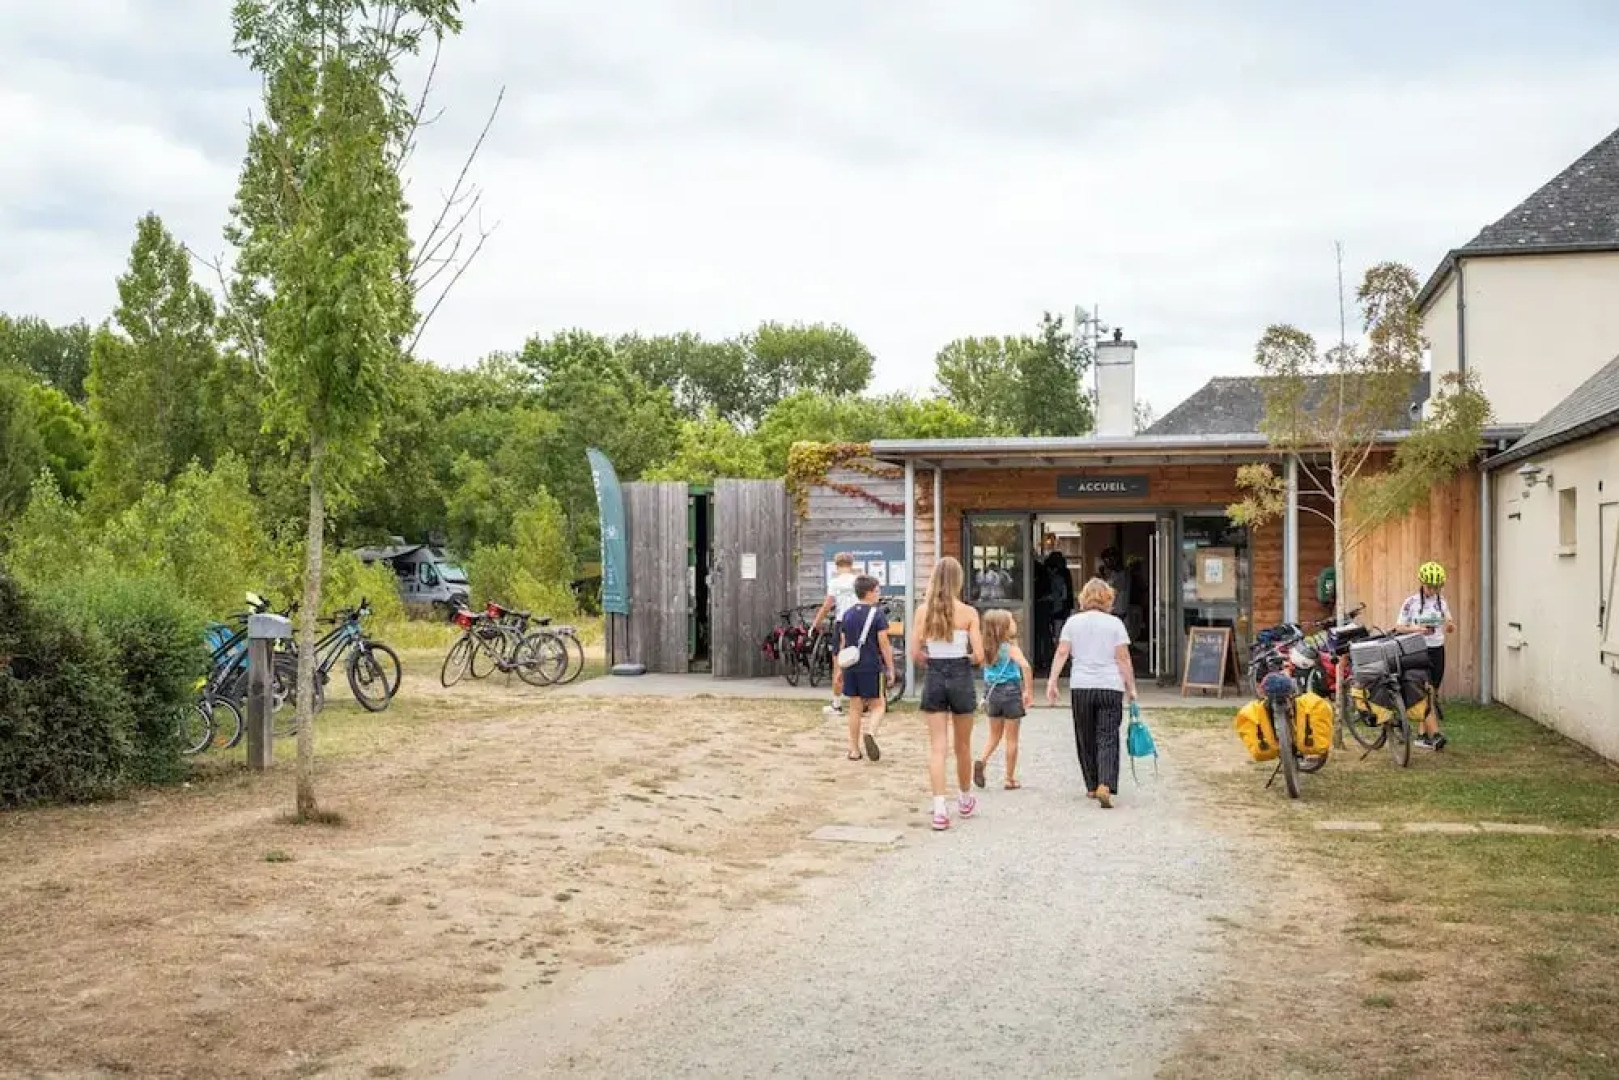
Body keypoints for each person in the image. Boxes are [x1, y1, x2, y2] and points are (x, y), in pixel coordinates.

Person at [1045, 577, 1138, 809]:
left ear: (1083, 598)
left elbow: (1062, 653)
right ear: (1108, 599)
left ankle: (1091, 784)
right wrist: (1131, 687)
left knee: (1085, 735)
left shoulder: (1072, 623)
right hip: (1110, 685)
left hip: (1082, 686)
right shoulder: (1115, 624)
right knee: (1107, 736)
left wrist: (1052, 681)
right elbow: (1123, 658)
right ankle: (1106, 783)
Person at [911, 556, 985, 831]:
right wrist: (962, 653)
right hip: (961, 675)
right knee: (962, 745)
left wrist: (931, 658)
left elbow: (915, 653)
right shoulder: (968, 613)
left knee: (937, 747)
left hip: (935, 674)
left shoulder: (923, 612)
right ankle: (965, 797)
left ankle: (940, 808)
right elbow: (978, 655)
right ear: (958, 580)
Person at [1395, 561, 1454, 750]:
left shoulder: (1441, 602)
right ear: (1422, 583)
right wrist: (1418, 629)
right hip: (1418, 650)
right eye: (1430, 586)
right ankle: (1435, 735)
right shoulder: (1410, 602)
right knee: (1425, 691)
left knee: (1432, 692)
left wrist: (1450, 625)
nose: (1433, 590)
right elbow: (1399, 627)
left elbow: (1449, 620)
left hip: (1438, 649)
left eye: (1436, 587)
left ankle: (1422, 736)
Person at [973, 609, 1033, 790]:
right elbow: (1026, 667)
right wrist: (1028, 690)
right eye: (1011, 621)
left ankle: (982, 760)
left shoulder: (987, 649)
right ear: (1004, 628)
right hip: (1011, 693)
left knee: (994, 735)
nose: (1015, 623)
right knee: (1011, 739)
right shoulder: (1011, 649)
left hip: (993, 694)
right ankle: (1009, 778)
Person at [837, 575, 894, 762]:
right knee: (879, 705)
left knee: (855, 707)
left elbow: (843, 643)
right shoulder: (877, 615)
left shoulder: (847, 614)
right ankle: (870, 732)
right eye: (877, 590)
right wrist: (890, 667)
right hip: (870, 665)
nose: (879, 594)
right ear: (869, 593)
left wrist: (839, 669)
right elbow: (884, 643)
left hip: (851, 665)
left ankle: (853, 750)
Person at [814, 553, 859, 716]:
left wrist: (817, 622)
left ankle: (837, 704)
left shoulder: (835, 582)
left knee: (838, 664)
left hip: (842, 622)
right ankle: (864, 702)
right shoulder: (858, 581)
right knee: (859, 662)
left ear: (836, 565)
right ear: (852, 564)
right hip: (858, 623)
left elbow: (827, 605)